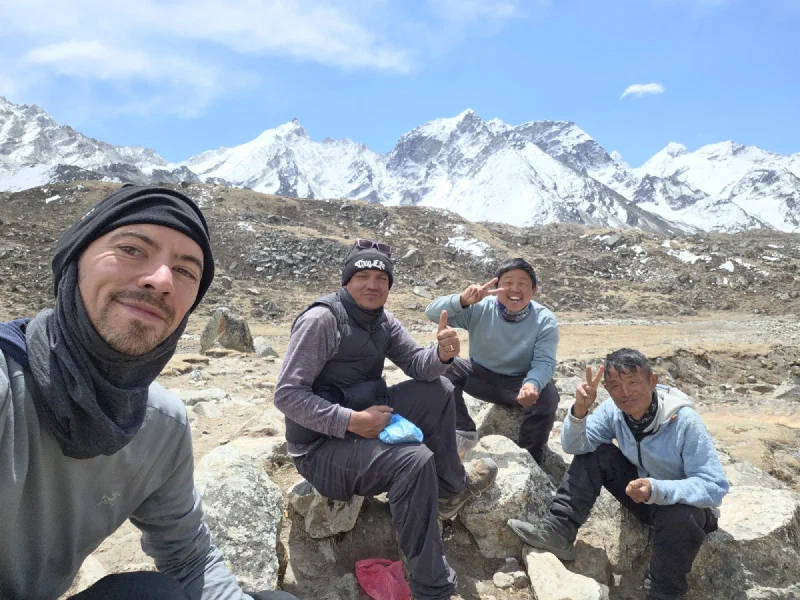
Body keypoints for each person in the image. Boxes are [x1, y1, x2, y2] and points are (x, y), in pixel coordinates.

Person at [0, 185, 295, 600]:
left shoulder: (161, 424)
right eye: (132, 249)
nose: (161, 281)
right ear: (74, 260)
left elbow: (189, 557)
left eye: (186, 271)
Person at [274, 239, 498, 600]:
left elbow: (419, 366)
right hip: (320, 449)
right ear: (346, 281)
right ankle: (432, 586)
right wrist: (351, 420)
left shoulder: (383, 322)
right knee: (414, 460)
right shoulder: (322, 320)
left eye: (381, 278)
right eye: (362, 275)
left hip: (365, 418)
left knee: (439, 388)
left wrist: (441, 354)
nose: (372, 285)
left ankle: (448, 491)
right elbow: (287, 395)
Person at [508, 348, 730, 600]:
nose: (625, 393)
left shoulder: (684, 421)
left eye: (633, 382)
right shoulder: (614, 413)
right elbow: (575, 447)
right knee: (596, 453)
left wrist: (658, 489)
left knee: (679, 514)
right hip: (643, 498)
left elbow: (714, 485)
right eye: (615, 386)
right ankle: (558, 530)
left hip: (687, 510)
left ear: (653, 381)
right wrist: (579, 411)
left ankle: (662, 593)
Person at [425, 258, 559, 464]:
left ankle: (531, 456)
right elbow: (432, 312)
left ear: (533, 290)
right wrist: (462, 299)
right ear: (496, 288)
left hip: (519, 383)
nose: (515, 289)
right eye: (508, 283)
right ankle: (463, 430)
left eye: (522, 283)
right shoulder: (480, 308)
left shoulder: (544, 319)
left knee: (548, 397)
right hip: (480, 377)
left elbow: (545, 362)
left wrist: (532, 384)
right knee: (442, 364)